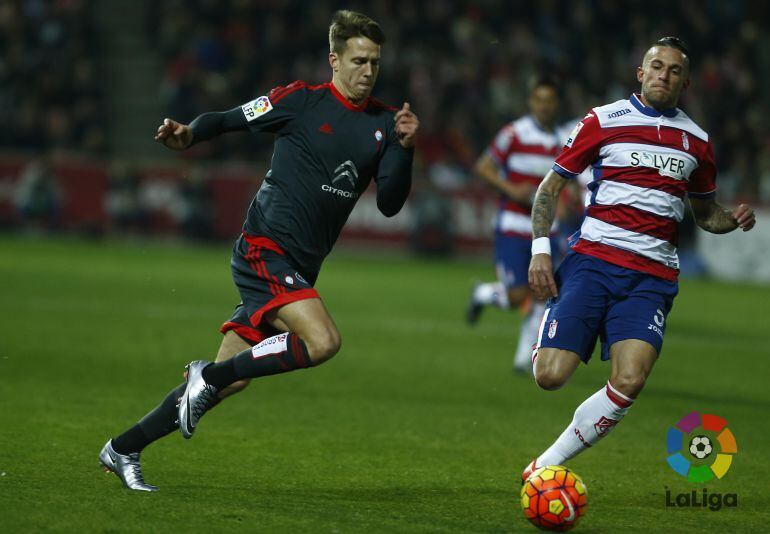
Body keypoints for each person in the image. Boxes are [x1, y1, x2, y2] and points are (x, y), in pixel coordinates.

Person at [99, 10, 419, 491]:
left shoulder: (385, 124)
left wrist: (407, 148)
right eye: (358, 60)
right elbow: (231, 118)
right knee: (323, 342)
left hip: (299, 267)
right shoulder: (301, 101)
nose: (368, 71)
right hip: (263, 249)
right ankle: (205, 376)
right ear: (333, 59)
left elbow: (392, 204)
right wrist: (190, 134)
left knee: (233, 379)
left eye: (374, 62)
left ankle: (123, 447)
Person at [522, 37, 755, 480]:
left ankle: (545, 466)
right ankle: (554, 323)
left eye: (673, 71)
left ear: (685, 82)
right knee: (550, 376)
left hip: (651, 280)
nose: (663, 75)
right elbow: (548, 189)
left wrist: (731, 219)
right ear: (640, 73)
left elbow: (705, 213)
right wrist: (539, 252)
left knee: (630, 380)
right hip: (592, 263)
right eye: (656, 66)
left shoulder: (698, 142)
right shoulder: (603, 120)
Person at [466, 76, 570, 373]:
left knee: (542, 291)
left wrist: (562, 210)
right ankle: (483, 294)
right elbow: (483, 167)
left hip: (544, 230)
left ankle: (524, 358)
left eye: (550, 101)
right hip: (512, 225)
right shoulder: (514, 133)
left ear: (556, 104)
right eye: (540, 100)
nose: (545, 106)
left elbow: (566, 184)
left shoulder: (563, 139)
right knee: (516, 297)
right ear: (531, 102)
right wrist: (512, 191)